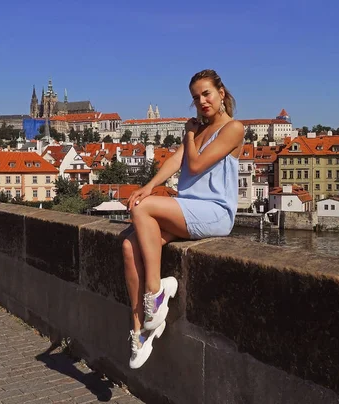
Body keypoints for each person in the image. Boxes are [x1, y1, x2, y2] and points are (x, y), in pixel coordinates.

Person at [122, 69, 244, 369]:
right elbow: (176, 161)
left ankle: (155, 293)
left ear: (221, 93)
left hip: (214, 211)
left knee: (143, 209)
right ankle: (139, 330)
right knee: (128, 244)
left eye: (206, 94)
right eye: (196, 97)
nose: (202, 101)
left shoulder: (234, 128)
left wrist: (188, 133)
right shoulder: (199, 131)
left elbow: (197, 163)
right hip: (187, 207)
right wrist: (148, 186)